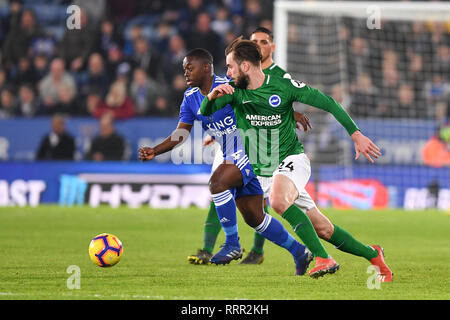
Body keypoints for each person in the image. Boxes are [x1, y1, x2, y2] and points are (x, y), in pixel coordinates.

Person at [200, 38, 393, 281]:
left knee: (279, 201)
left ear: (246, 66)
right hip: (263, 172)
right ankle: (373, 254)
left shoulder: (283, 85)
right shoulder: (233, 91)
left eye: (230, 67)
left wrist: (355, 134)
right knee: (324, 229)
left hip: (292, 159)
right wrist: (211, 97)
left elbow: (329, 103)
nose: (227, 73)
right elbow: (204, 114)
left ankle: (323, 258)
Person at [138, 48, 314, 276]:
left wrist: (289, 113)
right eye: (184, 69)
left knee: (218, 183)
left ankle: (232, 244)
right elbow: (182, 133)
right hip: (231, 152)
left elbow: (261, 98)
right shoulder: (190, 98)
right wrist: (155, 150)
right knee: (254, 218)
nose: (186, 73)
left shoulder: (230, 85)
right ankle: (299, 251)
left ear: (206, 68)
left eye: (190, 68)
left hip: (253, 149)